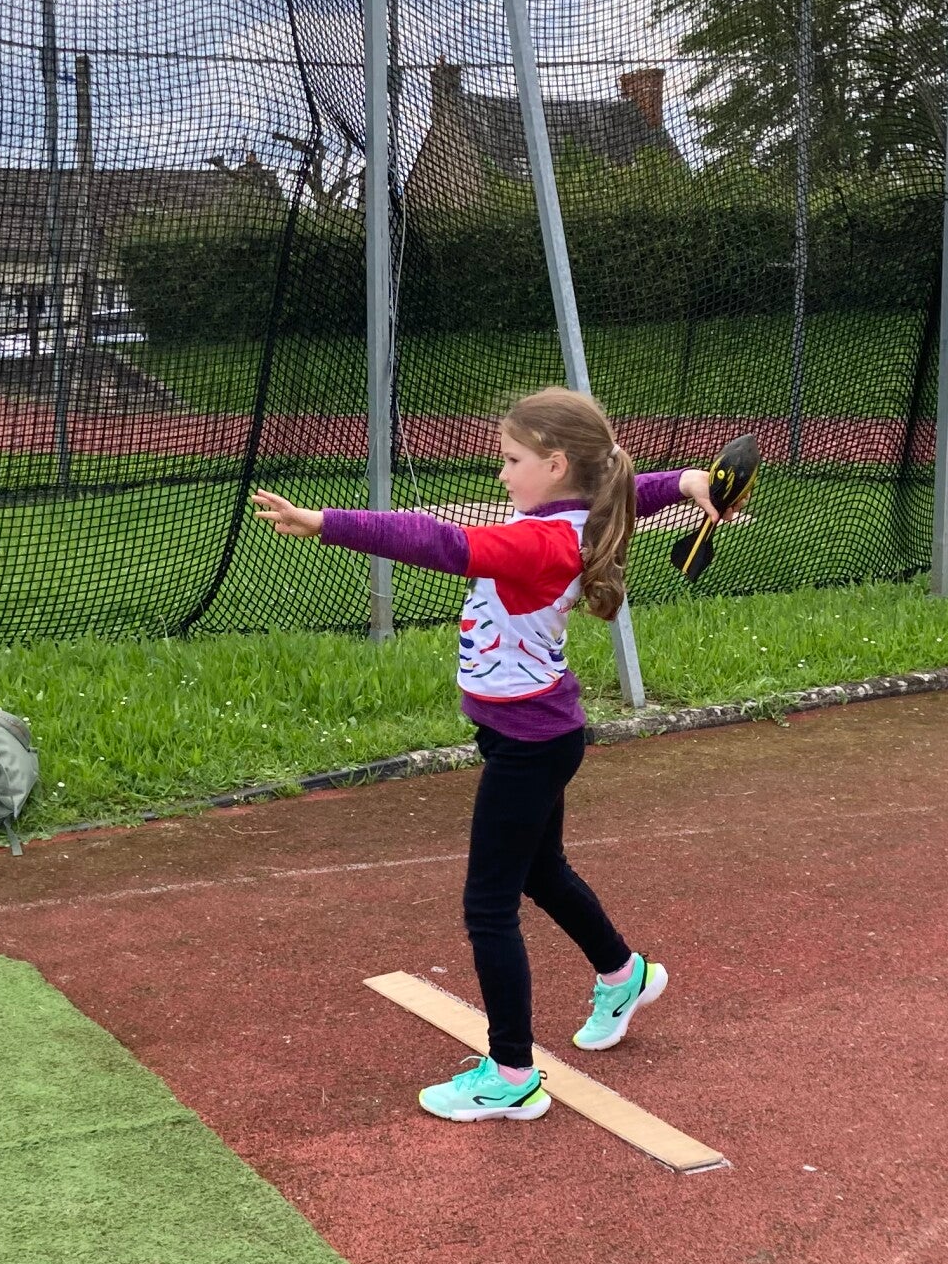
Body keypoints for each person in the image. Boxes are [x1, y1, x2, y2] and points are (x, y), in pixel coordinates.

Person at [253, 386, 738, 1122]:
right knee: (541, 872)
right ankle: (623, 974)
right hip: (535, 733)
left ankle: (512, 1075)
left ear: (555, 464)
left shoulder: (542, 542)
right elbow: (626, 488)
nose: (502, 474)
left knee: (488, 906)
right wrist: (690, 481)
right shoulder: (572, 512)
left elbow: (438, 541)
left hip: (529, 745)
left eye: (512, 460)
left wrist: (324, 522)